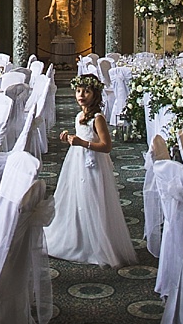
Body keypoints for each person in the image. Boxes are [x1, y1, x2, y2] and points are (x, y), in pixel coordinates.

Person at [41, 74, 136, 266]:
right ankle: (79, 236)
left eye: (86, 91)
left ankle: (95, 243)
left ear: (95, 94)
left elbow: (106, 146)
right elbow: (82, 136)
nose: (81, 95)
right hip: (77, 161)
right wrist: (70, 138)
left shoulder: (98, 118)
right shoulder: (79, 116)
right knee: (76, 196)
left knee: (92, 197)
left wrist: (82, 143)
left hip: (93, 164)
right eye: (78, 91)